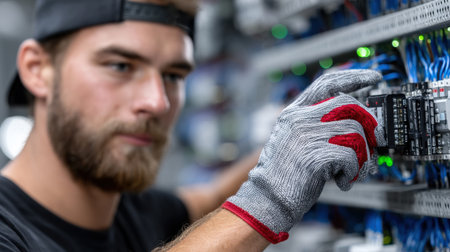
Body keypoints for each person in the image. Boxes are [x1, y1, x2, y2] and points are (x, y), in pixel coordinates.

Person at [1, 0, 385, 251]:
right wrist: (267, 200)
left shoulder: (131, 213)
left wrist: (299, 141)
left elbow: (209, 199)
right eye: (120, 66)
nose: (158, 101)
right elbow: (253, 198)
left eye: (173, 74)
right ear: (38, 70)